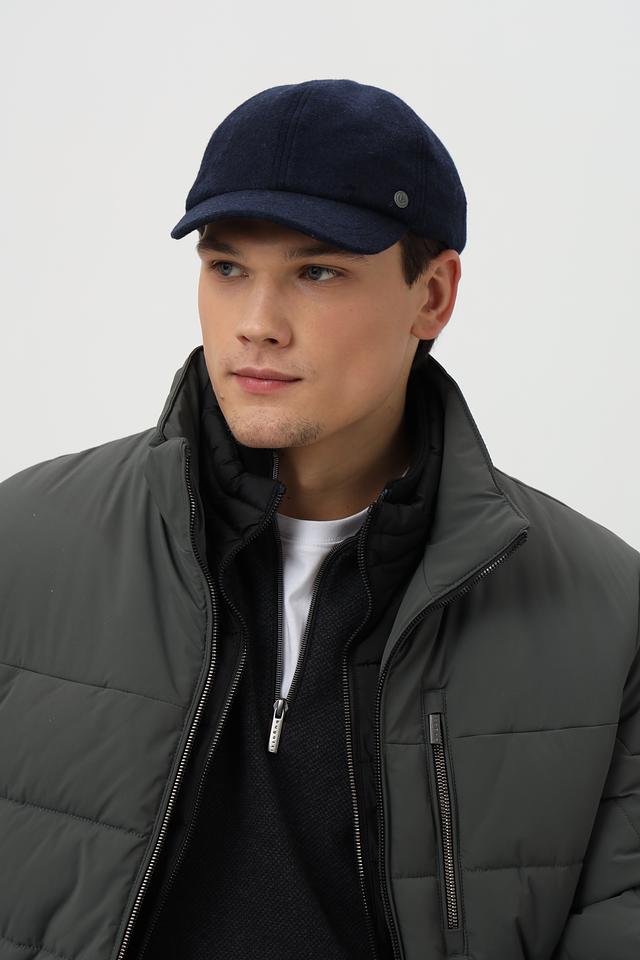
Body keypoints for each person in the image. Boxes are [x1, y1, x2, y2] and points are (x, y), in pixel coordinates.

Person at [0, 78, 638, 960]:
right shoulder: (23, 550)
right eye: (227, 269)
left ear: (433, 295)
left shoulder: (609, 617)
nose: (256, 325)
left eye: (317, 272)